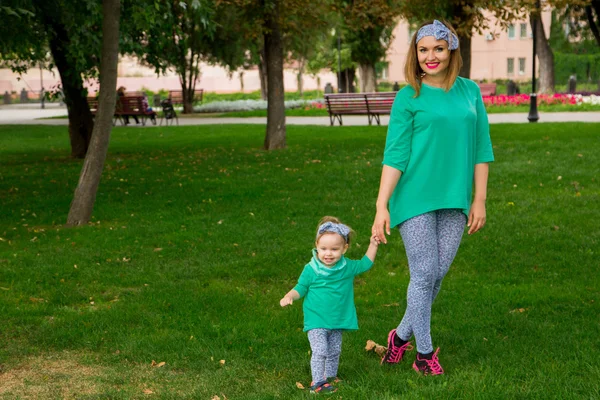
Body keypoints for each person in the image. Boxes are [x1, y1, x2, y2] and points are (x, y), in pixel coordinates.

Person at [372, 19, 494, 376]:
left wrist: (480, 199)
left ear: (451, 49)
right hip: (414, 197)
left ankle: (399, 338)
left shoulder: (470, 92)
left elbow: (481, 148)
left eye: (438, 48)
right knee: (424, 272)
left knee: (435, 275)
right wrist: (382, 205)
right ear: (415, 54)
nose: (430, 56)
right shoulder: (408, 96)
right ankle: (424, 355)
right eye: (423, 50)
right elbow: (395, 155)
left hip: (455, 198)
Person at [280, 217, 380, 394]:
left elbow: (365, 264)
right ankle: (317, 383)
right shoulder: (311, 269)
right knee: (320, 350)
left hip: (337, 318)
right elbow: (300, 288)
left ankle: (330, 377)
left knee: (334, 350)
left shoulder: (346, 267)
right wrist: (290, 296)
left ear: (344, 248)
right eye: (323, 249)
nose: (328, 253)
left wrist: (373, 245)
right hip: (316, 318)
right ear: (316, 247)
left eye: (334, 249)